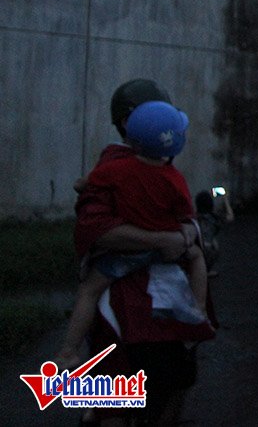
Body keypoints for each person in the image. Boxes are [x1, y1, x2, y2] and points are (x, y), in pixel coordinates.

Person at [73, 80, 214, 424]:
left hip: (166, 305)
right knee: (117, 401)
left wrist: (184, 233)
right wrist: (162, 240)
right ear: (128, 122)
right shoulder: (114, 169)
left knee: (174, 386)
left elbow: (186, 222)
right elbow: (95, 229)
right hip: (128, 305)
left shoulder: (155, 163)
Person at [56, 101, 210, 370]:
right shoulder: (175, 179)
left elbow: (83, 184)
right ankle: (198, 311)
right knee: (198, 258)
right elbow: (186, 216)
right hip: (165, 249)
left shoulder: (116, 170)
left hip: (124, 253)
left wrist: (82, 183)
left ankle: (69, 350)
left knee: (89, 291)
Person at [194, 186, 235, 273]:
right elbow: (230, 217)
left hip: (196, 249)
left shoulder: (195, 217)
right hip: (208, 250)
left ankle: (198, 271)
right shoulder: (214, 218)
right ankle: (206, 271)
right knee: (214, 244)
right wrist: (225, 200)